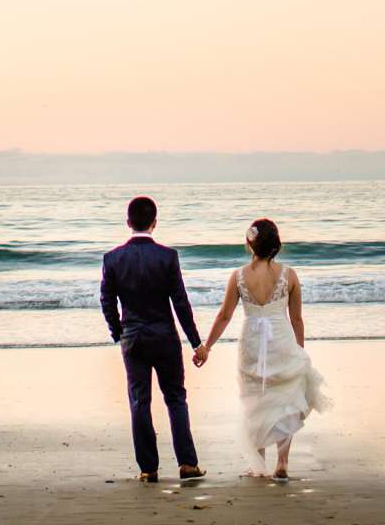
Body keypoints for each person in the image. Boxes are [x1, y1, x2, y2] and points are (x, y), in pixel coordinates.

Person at [193, 217, 330, 480]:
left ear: (249, 243)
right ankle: (282, 463)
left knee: (255, 398)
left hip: (252, 341)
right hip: (281, 339)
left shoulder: (239, 276)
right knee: (285, 398)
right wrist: (299, 351)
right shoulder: (289, 275)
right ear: (276, 244)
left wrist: (207, 347)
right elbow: (297, 319)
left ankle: (258, 463)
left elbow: (224, 315)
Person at [98, 195, 205, 483]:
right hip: (165, 338)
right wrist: (196, 342)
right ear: (154, 223)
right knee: (176, 398)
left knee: (139, 401)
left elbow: (106, 302)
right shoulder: (168, 257)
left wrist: (119, 333)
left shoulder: (113, 259)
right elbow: (181, 304)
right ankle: (187, 464)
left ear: (128, 223)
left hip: (133, 338)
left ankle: (148, 469)